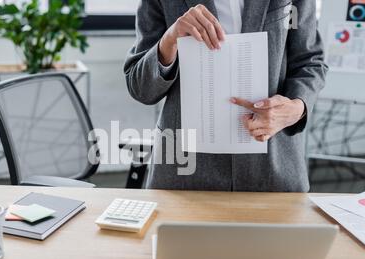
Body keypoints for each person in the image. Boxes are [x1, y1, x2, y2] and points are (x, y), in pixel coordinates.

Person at [124, 0, 328, 192]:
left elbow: (310, 62)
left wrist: (296, 108)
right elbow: (140, 88)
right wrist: (169, 40)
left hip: (273, 169)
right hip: (185, 172)